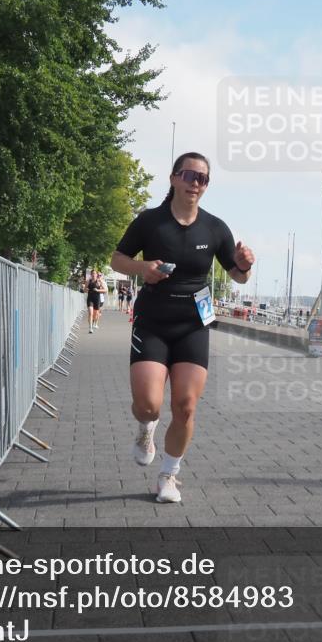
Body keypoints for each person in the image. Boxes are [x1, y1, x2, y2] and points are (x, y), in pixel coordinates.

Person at [110, 152, 255, 503]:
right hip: (153, 321)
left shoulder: (215, 227)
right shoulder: (150, 221)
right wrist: (143, 268)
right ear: (174, 178)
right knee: (148, 405)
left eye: (203, 179)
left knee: (186, 405)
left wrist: (244, 265)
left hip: (193, 324)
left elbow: (238, 277)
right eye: (189, 175)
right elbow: (117, 259)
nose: (195, 183)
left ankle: (168, 476)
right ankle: (146, 428)